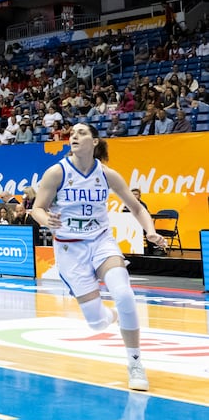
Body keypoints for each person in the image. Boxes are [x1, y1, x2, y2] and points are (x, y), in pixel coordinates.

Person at [30, 122, 157, 391]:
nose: (74, 136)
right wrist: (46, 220)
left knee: (124, 294)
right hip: (69, 250)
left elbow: (137, 208)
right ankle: (112, 316)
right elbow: (36, 208)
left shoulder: (108, 175)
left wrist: (151, 231)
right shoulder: (56, 172)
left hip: (101, 242)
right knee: (97, 323)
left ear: (95, 141)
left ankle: (135, 363)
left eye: (81, 132)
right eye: (72, 133)